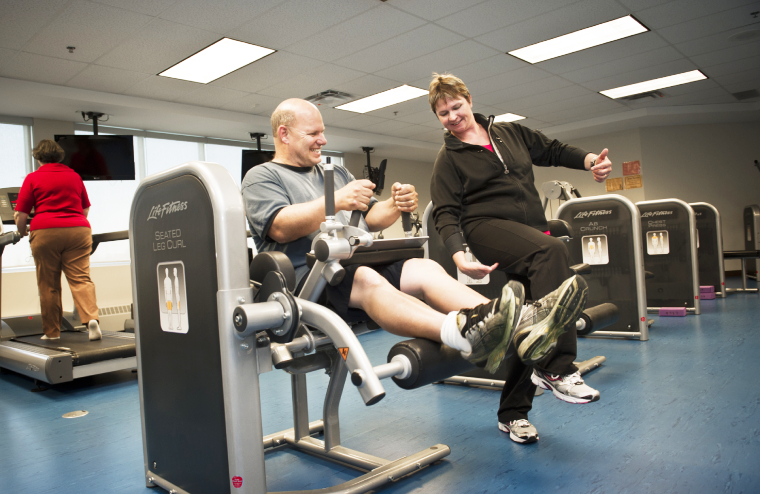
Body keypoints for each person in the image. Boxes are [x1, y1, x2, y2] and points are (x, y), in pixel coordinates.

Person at [242, 98, 589, 381]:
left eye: (323, 132)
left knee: (424, 267)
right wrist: (334, 202)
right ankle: (460, 332)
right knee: (365, 278)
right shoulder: (262, 176)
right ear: (284, 134)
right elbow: (280, 227)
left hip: (349, 263)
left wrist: (395, 205)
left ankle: (507, 322)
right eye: (313, 133)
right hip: (308, 281)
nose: (323, 140)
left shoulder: (335, 173)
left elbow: (372, 217)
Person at [428, 73, 612, 444]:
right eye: (443, 112)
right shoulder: (449, 157)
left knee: (531, 322)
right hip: (485, 228)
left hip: (529, 232)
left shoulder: (510, 133)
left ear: (470, 100)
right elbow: (445, 212)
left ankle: (512, 414)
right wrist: (458, 253)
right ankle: (556, 368)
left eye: (456, 106)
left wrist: (590, 160)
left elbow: (554, 150)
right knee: (553, 250)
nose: (452, 116)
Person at [14, 139, 101, 341]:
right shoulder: (74, 176)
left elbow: (21, 214)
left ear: (38, 157)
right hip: (78, 229)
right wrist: (73, 223)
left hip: (45, 231)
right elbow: (85, 209)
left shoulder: (33, 178)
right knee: (81, 278)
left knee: (49, 284)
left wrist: (21, 232)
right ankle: (91, 320)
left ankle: (52, 333)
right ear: (59, 156)